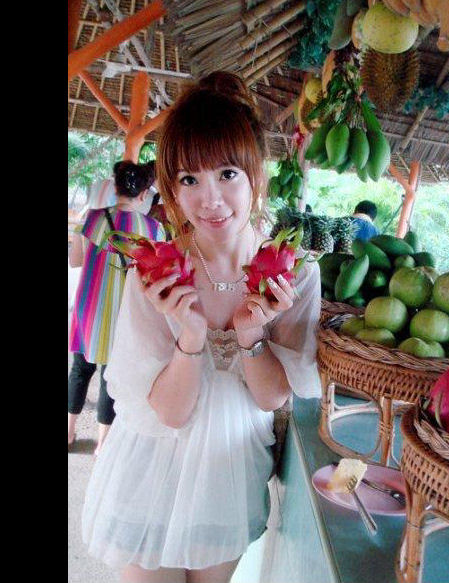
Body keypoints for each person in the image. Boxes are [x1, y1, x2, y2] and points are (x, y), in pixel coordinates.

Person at [81, 71, 322, 583]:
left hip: (229, 474)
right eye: (189, 179)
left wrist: (251, 335)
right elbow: (169, 413)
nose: (210, 200)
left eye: (227, 174)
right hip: (149, 469)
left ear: (256, 173)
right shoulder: (157, 271)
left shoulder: (294, 273)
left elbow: (271, 398)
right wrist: (190, 336)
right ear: (171, 187)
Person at [68, 160, 166, 455]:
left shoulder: (93, 219)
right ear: (144, 193)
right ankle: (103, 443)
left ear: (115, 187)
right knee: (111, 375)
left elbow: (75, 261)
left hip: (89, 308)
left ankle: (69, 431)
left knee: (80, 370)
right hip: (125, 313)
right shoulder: (154, 229)